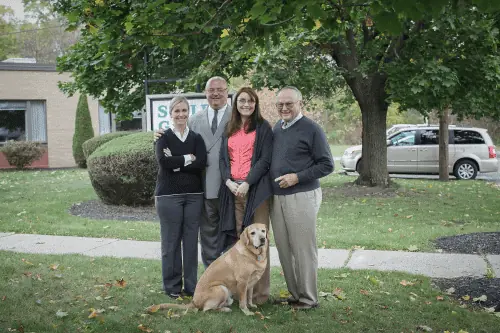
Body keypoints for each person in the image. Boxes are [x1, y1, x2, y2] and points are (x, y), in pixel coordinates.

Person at [154, 76, 231, 268]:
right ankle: (211, 280)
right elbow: (171, 151)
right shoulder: (194, 120)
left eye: (220, 90)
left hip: (231, 186)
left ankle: (233, 284)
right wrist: (159, 137)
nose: (215, 93)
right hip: (204, 188)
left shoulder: (238, 116)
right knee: (208, 238)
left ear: (227, 91)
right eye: (211, 90)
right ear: (205, 93)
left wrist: (178, 162)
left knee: (232, 236)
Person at [269, 86, 334, 310]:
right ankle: (295, 294)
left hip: (301, 196)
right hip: (277, 197)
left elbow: (327, 165)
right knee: (285, 249)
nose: (284, 108)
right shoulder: (278, 127)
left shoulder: (312, 129)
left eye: (289, 104)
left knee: (303, 249)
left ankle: (308, 298)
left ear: (300, 104)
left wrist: (297, 177)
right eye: (280, 105)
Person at [218, 87, 273, 304]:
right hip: (233, 190)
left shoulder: (263, 127)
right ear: (236, 103)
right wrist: (228, 181)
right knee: (241, 242)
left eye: (250, 101)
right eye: (242, 101)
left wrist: (248, 183)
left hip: (256, 191)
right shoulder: (229, 128)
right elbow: (223, 160)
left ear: (255, 103)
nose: (246, 105)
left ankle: (260, 296)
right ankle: (242, 293)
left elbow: (265, 160)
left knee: (260, 241)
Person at [154, 96, 207, 299]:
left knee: (191, 242)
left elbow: (201, 162)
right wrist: (187, 158)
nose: (181, 114)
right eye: (177, 111)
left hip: (194, 195)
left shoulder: (197, 138)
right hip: (169, 196)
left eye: (184, 110)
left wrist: (176, 161)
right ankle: (172, 287)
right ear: (170, 114)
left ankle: (192, 287)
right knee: (171, 243)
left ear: (188, 112)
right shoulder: (163, 138)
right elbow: (164, 163)